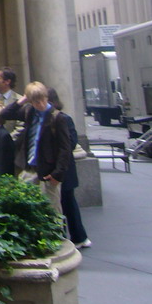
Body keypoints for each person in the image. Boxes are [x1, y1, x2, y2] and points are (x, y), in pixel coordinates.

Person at [1, 81, 71, 214]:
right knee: (27, 210)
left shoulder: (57, 117)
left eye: (43, 100)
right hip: (29, 168)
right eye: (36, 102)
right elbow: (5, 114)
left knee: (52, 212)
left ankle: (55, 235)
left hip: (48, 172)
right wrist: (22, 100)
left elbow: (65, 148)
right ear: (31, 101)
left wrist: (58, 174)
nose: (41, 104)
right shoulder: (28, 111)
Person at [47, 87, 92, 249]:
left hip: (64, 170)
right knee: (61, 204)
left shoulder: (64, 119)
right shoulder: (45, 118)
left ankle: (79, 237)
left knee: (68, 204)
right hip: (55, 169)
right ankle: (66, 235)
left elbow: (71, 143)